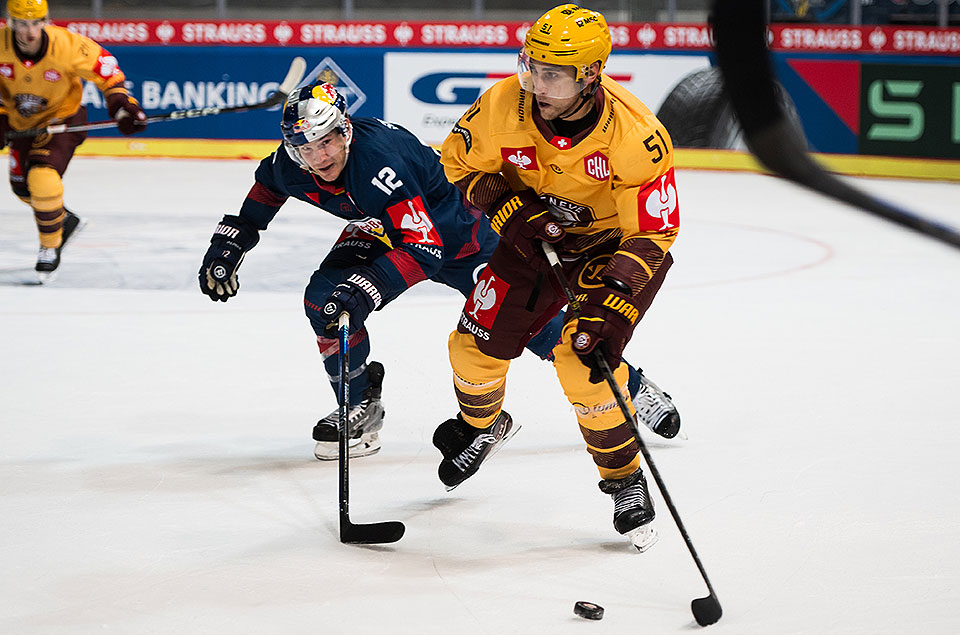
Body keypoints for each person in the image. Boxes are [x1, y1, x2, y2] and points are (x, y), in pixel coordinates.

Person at [197, 80, 680, 463]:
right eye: (306, 148)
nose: (319, 157)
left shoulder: (379, 163)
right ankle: (360, 405)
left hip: (458, 238)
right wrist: (231, 241)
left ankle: (634, 388)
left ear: (345, 130)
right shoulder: (293, 163)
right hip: (386, 228)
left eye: (327, 141)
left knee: (534, 329)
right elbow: (265, 191)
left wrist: (368, 288)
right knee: (322, 301)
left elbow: (423, 248)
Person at [436, 4, 681, 552]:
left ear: (591, 75)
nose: (535, 83)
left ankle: (624, 481)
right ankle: (484, 426)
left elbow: (655, 233)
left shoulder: (636, 134)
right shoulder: (504, 104)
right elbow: (459, 163)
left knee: (582, 359)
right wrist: (510, 211)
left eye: (552, 73)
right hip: (531, 243)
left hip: (611, 250)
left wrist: (611, 299)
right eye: (531, 65)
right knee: (471, 350)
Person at [0, 0, 146, 278]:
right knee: (23, 190)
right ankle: (63, 220)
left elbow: (109, 73)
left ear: (45, 21)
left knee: (42, 179)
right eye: (21, 24)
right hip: (21, 126)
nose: (29, 32)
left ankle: (49, 247)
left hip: (61, 121)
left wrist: (122, 105)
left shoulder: (67, 45)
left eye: (35, 23)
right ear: (10, 22)